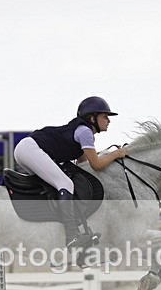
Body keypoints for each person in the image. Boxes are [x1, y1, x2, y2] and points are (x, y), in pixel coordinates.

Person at [13, 96, 127, 250]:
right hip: (31, 149)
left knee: (55, 185)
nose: (108, 120)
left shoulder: (82, 131)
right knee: (65, 183)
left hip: (26, 149)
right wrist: (116, 154)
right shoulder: (85, 132)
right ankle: (72, 235)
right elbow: (96, 165)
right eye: (105, 116)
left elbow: (83, 164)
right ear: (92, 118)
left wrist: (105, 155)